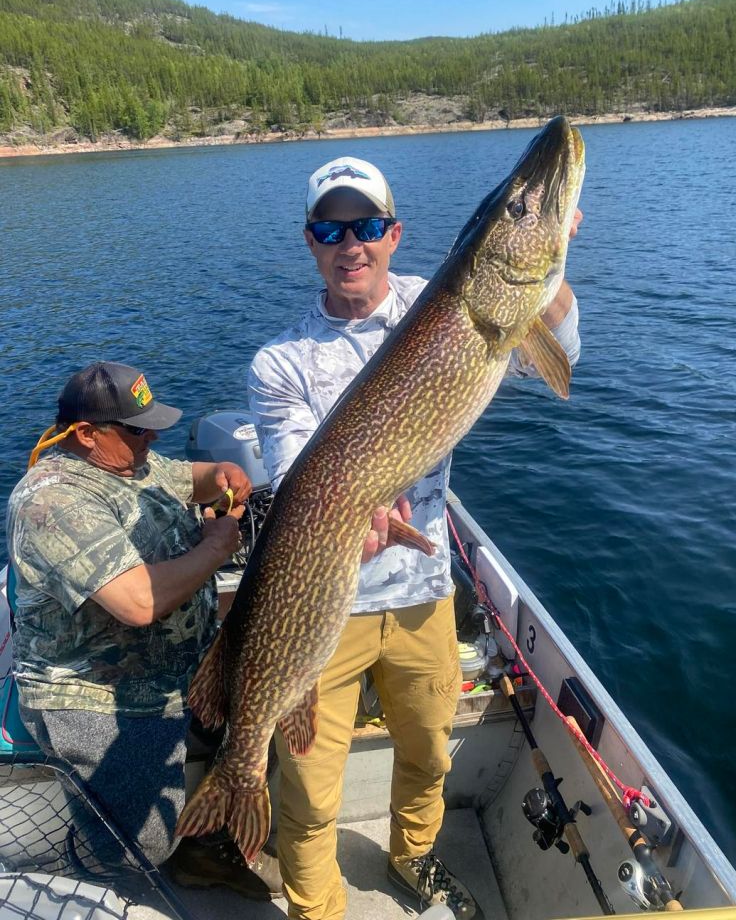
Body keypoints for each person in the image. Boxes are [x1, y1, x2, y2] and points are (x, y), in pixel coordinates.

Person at [247, 156, 583, 920]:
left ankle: (413, 858)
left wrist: (553, 262)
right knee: (309, 786)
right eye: (332, 230)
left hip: (424, 594)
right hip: (322, 609)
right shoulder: (280, 362)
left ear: (393, 234)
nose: (351, 244)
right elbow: (301, 484)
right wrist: (349, 523)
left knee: (430, 754)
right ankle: (315, 907)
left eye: (366, 225)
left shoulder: (448, 306)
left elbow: (559, 358)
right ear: (311, 242)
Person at [6, 360, 282, 898]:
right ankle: (86, 860)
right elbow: (137, 602)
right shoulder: (53, 499)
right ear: (86, 434)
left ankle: (204, 850)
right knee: (141, 845)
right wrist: (215, 548)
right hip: (95, 692)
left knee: (261, 722)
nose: (152, 437)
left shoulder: (134, 462)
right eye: (138, 429)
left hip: (186, 667)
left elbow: (186, 477)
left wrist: (221, 472)